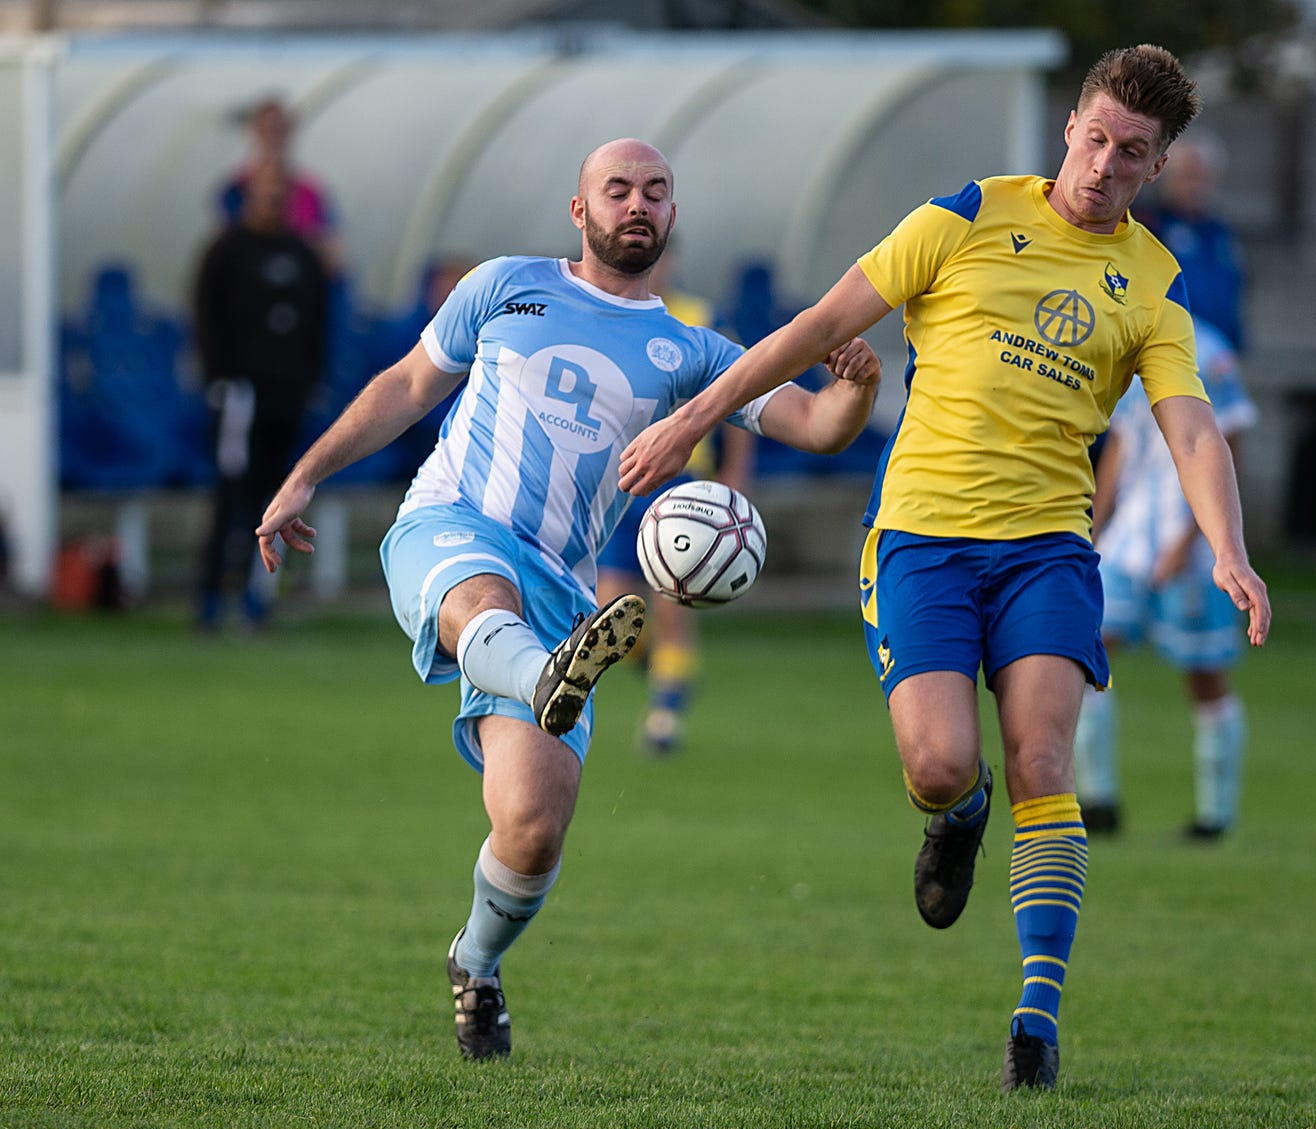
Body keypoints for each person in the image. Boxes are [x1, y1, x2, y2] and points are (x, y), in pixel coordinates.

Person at [620, 46, 1271, 1092]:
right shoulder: (965, 215)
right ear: (1070, 126)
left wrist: (1230, 551)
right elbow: (817, 329)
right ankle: (957, 817)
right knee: (937, 766)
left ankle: (1035, 1019)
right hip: (921, 539)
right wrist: (691, 419)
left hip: (1049, 550)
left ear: (1158, 166)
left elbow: (1191, 431)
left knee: (1046, 763)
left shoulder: (1152, 281)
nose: (1105, 165)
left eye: (1133, 153)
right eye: (1097, 138)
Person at [254, 138, 880, 1063]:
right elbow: (404, 388)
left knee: (533, 827)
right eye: (617, 190)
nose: (638, 204)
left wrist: (858, 387)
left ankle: (476, 963)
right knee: (479, 597)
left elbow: (819, 427)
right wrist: (305, 476)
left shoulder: (695, 351)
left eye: (656, 192)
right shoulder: (504, 285)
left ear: (672, 216)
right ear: (578, 212)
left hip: (561, 588)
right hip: (453, 523)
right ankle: (547, 672)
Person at [1075, 319, 1256, 841]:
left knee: (1205, 675)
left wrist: (1197, 538)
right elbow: (1120, 445)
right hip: (1128, 541)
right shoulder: (1125, 334)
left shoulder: (1212, 350)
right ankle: (1098, 800)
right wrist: (1095, 525)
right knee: (1087, 658)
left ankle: (1215, 815)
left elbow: (1230, 446)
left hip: (1191, 546)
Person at [594, 240, 756, 754]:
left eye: (662, 258)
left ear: (672, 261)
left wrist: (734, 474)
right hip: (619, 483)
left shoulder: (699, 319)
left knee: (670, 607)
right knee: (609, 614)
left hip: (683, 487)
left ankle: (665, 715)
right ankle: (665, 672)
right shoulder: (605, 318)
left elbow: (742, 399)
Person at [192, 162, 331, 632]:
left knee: (280, 495)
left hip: (287, 397)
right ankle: (211, 596)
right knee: (234, 492)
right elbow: (206, 319)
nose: (274, 206)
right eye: (266, 196)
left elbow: (318, 322)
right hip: (240, 397)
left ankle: (258, 597)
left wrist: (311, 379)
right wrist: (219, 378)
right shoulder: (225, 252)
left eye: (281, 198)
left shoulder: (303, 256)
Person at [1140, 132, 1244, 352]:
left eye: (1204, 177)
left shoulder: (1220, 234)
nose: (1196, 186)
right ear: (1165, 175)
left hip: (1220, 354)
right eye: (1189, 176)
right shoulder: (1148, 227)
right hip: (1168, 349)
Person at [218, 96, 341, 270]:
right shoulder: (234, 190)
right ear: (254, 133)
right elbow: (226, 253)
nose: (272, 137)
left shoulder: (311, 193)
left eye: (279, 129)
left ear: (290, 133)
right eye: (265, 130)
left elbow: (333, 257)